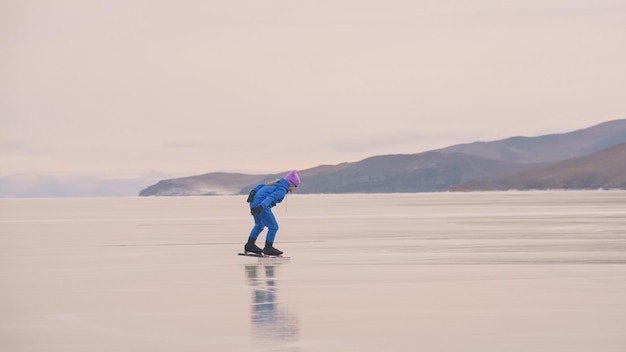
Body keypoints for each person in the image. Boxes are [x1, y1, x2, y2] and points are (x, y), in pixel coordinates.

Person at [244, 170, 301, 256]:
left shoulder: (276, 183)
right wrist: (261, 207)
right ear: (291, 184)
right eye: (295, 186)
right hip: (261, 205)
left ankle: (250, 245)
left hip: (254, 203)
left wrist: (253, 192)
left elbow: (261, 186)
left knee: (259, 225)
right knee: (273, 227)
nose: (295, 189)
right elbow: (270, 198)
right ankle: (268, 248)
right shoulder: (281, 190)